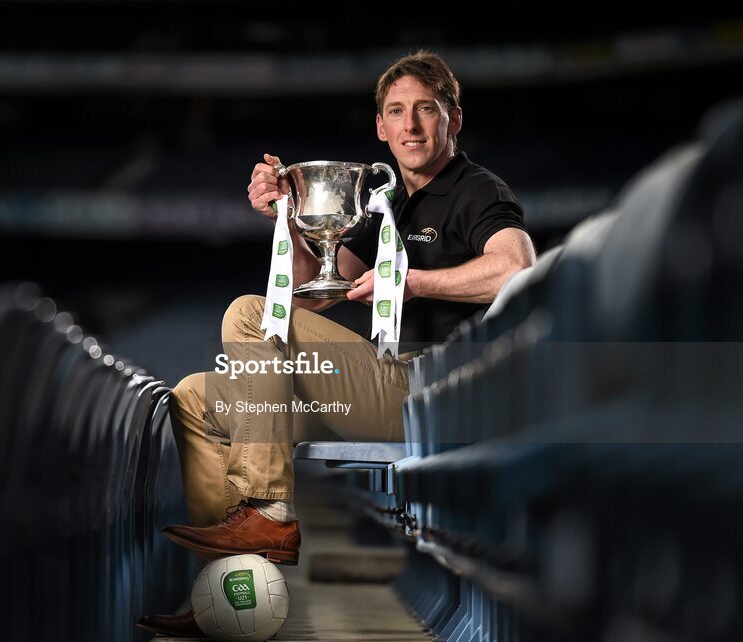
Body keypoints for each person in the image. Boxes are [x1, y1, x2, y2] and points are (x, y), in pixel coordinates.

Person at [137, 50, 536, 637]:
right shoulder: (385, 201)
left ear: (453, 118)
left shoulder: (475, 190)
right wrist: (286, 217)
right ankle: (230, 596)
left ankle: (269, 512)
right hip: (379, 385)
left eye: (426, 110)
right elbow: (306, 299)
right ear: (380, 127)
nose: (411, 126)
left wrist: (411, 281)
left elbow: (517, 270)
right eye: (397, 112)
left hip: (432, 386)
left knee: (245, 315)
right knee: (194, 399)